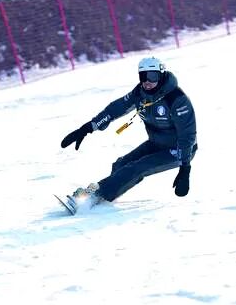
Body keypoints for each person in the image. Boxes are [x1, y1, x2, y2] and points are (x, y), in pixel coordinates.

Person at [60, 56, 197, 209]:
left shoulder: (176, 99)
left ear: (162, 74)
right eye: (143, 76)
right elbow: (115, 109)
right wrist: (87, 128)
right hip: (156, 143)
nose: (147, 81)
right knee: (121, 164)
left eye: (152, 76)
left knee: (138, 167)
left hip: (179, 149)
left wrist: (185, 168)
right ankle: (103, 194)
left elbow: (188, 135)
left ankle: (95, 197)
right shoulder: (140, 94)